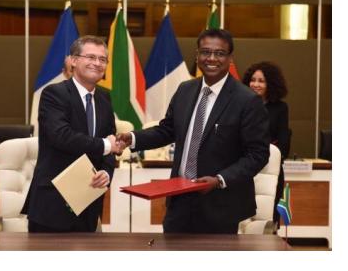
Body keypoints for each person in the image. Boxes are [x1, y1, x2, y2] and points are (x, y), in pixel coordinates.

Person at [117, 29, 270, 234]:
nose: (212, 58)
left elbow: (258, 155)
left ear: (230, 59)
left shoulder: (247, 101)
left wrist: (219, 180)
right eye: (206, 52)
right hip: (179, 200)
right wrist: (132, 138)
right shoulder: (185, 90)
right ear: (197, 55)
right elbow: (167, 130)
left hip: (221, 204)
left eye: (219, 53)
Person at [21, 35, 122, 232]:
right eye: (90, 57)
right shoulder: (54, 93)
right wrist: (107, 145)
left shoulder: (104, 98)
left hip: (88, 201)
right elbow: (61, 136)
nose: (97, 63)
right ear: (74, 61)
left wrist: (106, 174)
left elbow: (110, 138)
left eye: (102, 59)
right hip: (52, 204)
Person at [242, 61, 290, 227]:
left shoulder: (280, 108)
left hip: (270, 168)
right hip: (244, 167)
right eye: (253, 80)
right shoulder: (241, 105)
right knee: (243, 216)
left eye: (261, 81)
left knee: (268, 217)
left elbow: (283, 144)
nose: (256, 84)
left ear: (271, 84)